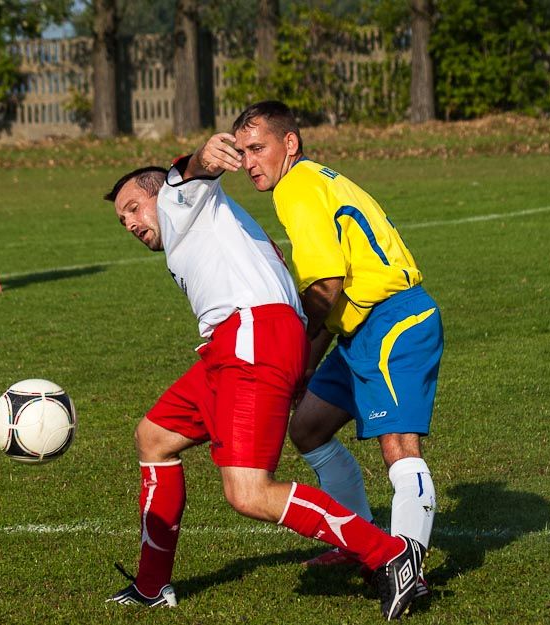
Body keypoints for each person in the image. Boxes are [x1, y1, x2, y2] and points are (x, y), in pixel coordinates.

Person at [104, 147, 425, 620]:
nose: (130, 223)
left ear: (160, 192)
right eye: (121, 220)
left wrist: (205, 154)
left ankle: (391, 555)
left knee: (248, 492)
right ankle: (151, 585)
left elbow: (192, 170)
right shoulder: (200, 226)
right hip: (235, 343)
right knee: (152, 438)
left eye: (133, 208)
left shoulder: (179, 199)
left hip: (252, 337)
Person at [197, 100, 443, 600]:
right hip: (356, 328)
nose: (248, 163)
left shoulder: (298, 186)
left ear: (290, 143)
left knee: (398, 447)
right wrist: (306, 360)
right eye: (242, 152)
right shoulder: (311, 179)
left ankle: (406, 569)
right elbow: (334, 293)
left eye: (258, 148)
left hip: (394, 320)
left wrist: (293, 346)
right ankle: (362, 539)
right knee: (307, 428)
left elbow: (326, 286)